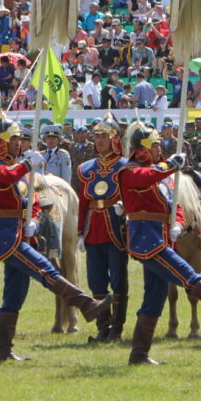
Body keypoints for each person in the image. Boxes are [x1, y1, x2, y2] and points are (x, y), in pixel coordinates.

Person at [117, 119, 201, 365]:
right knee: (189, 276)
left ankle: (139, 354)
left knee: (154, 299)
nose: (160, 149)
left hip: (162, 239)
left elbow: (173, 203)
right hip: (147, 240)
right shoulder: (130, 170)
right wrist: (170, 165)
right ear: (141, 148)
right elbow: (145, 177)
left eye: (160, 145)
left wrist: (179, 223)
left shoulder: (161, 172)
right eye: (155, 145)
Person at [0, 113, 112, 362]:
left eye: (20, 139)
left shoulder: (17, 168)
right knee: (45, 270)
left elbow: (33, 199)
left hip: (21, 233)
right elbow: (5, 177)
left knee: (14, 295)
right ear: (1, 142)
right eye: (13, 139)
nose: (19, 144)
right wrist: (27, 165)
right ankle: (85, 304)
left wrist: (32, 218)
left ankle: (3, 349)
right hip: (5, 236)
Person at [76, 114, 130, 344]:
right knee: (96, 281)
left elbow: (131, 197)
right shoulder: (87, 168)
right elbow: (83, 203)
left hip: (115, 228)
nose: (98, 141)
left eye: (103, 137)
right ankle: (102, 327)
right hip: (93, 228)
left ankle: (116, 328)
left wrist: (124, 209)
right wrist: (80, 232)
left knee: (118, 280)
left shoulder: (124, 166)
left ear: (114, 139)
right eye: (96, 136)